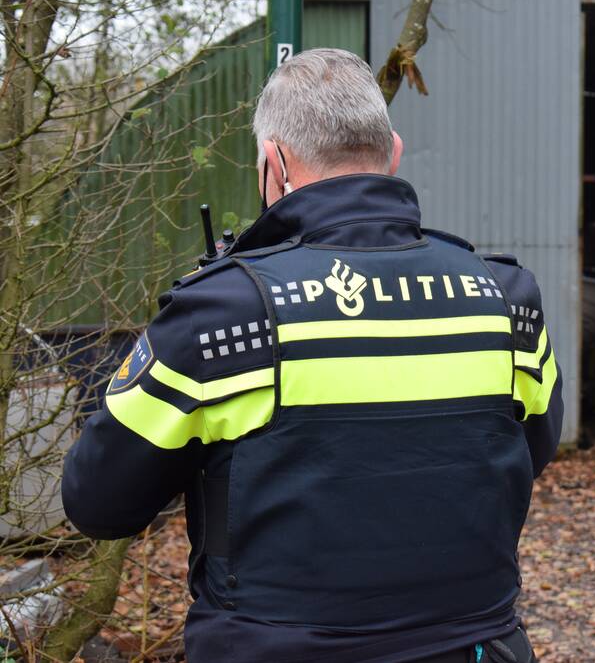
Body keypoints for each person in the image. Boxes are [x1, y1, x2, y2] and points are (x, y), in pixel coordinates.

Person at [61, 49, 563, 663]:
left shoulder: (222, 313)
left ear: (273, 163)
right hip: (476, 647)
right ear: (393, 153)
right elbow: (530, 452)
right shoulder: (506, 299)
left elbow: (97, 502)